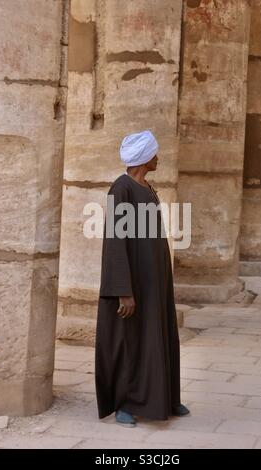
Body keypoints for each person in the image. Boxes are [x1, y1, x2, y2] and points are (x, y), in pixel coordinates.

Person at [95, 130, 189, 427]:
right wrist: (123, 290)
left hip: (154, 282)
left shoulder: (147, 187)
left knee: (157, 335)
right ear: (145, 157)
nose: (158, 157)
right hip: (133, 282)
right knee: (130, 341)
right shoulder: (121, 189)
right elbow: (115, 241)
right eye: (155, 153)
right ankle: (125, 403)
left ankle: (164, 397)